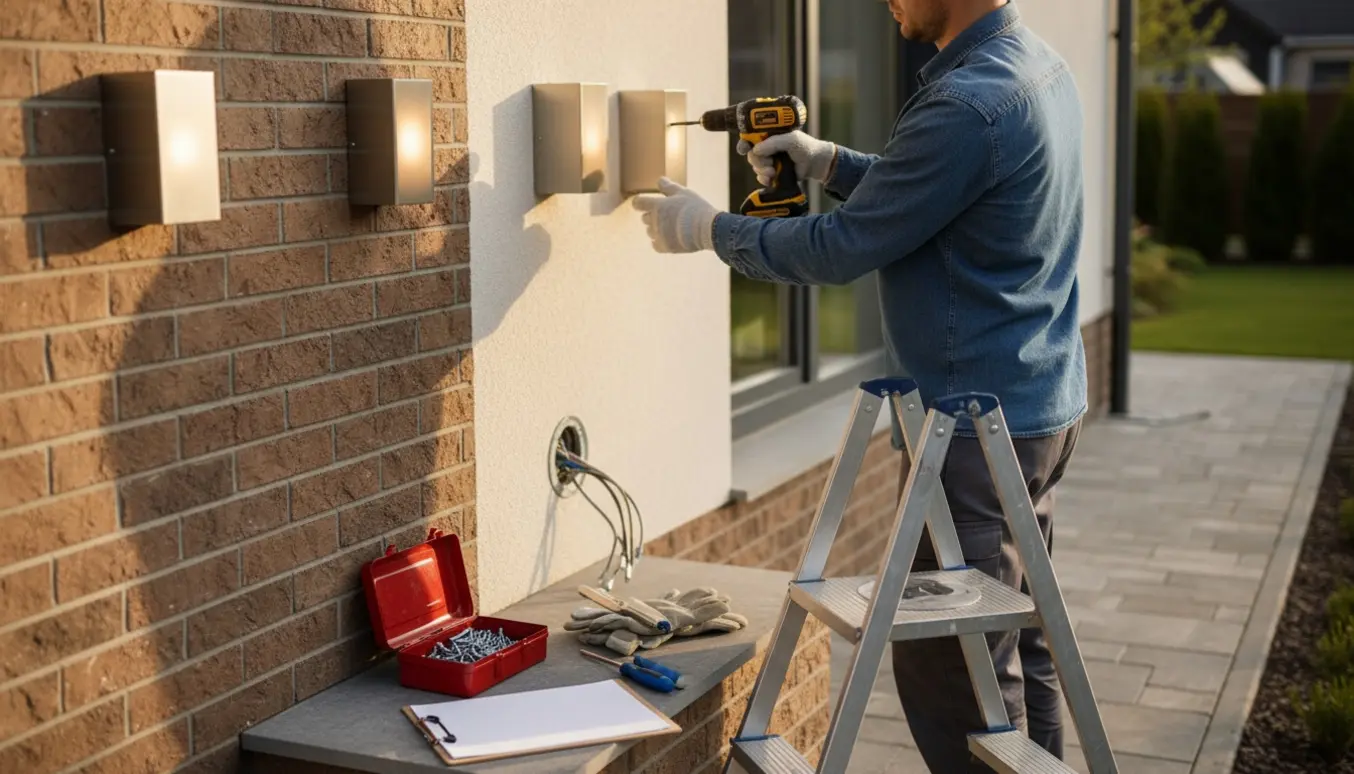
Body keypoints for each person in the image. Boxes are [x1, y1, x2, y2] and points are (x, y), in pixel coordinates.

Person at [634, 0, 1086, 770]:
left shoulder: (966, 103)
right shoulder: (1034, 66)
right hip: (1038, 407)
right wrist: (825, 162)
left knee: (954, 667)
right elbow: (931, 195)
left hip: (972, 429)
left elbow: (844, 247)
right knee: (1016, 644)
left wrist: (709, 231)